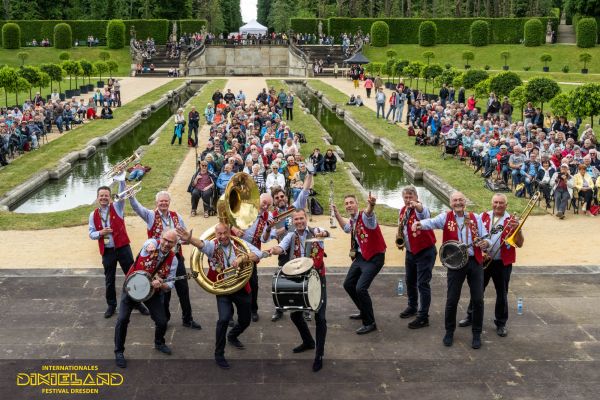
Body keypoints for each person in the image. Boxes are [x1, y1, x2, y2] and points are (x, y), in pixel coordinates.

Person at [177, 223, 264, 369]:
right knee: (223, 319)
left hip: (241, 287)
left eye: (225, 233)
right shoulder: (213, 246)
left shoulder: (240, 244)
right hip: (223, 288)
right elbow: (201, 244)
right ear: (215, 234)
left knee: (245, 321)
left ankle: (232, 336)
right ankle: (219, 353)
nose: (222, 236)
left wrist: (243, 258)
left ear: (229, 232)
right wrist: (190, 239)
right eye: (219, 234)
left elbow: (258, 254)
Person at [412, 192, 491, 349]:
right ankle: (449, 331)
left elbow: (485, 237)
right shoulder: (445, 217)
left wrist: (485, 244)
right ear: (450, 203)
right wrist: (419, 224)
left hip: (474, 262)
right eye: (455, 200)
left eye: (461, 199)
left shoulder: (474, 217)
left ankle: (476, 333)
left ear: (465, 201)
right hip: (455, 264)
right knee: (452, 299)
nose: (458, 202)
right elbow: (431, 222)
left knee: (478, 300)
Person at [129, 190, 202, 329]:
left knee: (183, 289)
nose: (163, 203)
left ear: (169, 202)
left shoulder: (176, 216)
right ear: (157, 203)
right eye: (161, 201)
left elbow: (184, 235)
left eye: (166, 201)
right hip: (159, 261)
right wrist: (131, 196)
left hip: (176, 257)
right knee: (164, 291)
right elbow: (136, 207)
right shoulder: (150, 215)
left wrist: (186, 239)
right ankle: (165, 318)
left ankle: (188, 319)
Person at [269, 209, 330, 372]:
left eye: (301, 218)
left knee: (321, 318)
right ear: (293, 221)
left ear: (306, 218)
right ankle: (309, 341)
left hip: (317, 279)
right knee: (295, 314)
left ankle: (319, 354)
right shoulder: (290, 236)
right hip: (300, 280)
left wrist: (324, 233)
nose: (299, 221)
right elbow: (281, 247)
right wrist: (274, 250)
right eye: (296, 219)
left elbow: (326, 232)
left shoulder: (315, 231)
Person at [459, 194, 523, 338]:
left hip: (502, 263)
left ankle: (501, 323)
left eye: (501, 203)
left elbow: (519, 243)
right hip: (483, 260)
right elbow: (474, 234)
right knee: (477, 291)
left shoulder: (512, 220)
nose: (498, 205)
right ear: (491, 202)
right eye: (495, 202)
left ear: (506, 205)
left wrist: (518, 229)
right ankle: (471, 316)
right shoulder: (483, 216)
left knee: (502, 293)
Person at [114, 229, 179, 368]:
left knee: (162, 321)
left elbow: (171, 283)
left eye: (170, 242)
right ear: (160, 237)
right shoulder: (150, 245)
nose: (166, 244)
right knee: (122, 319)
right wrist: (149, 245)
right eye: (165, 239)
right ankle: (119, 351)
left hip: (151, 292)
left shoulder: (173, 259)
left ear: (175, 244)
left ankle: (159, 342)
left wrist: (161, 285)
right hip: (132, 287)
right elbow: (147, 244)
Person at [88, 178, 148, 318]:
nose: (104, 198)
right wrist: (100, 233)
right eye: (101, 196)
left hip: (122, 248)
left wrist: (121, 179)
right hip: (108, 251)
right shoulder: (93, 215)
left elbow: (122, 194)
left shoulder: (117, 207)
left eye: (106, 196)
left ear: (110, 198)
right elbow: (91, 233)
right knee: (109, 280)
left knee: (133, 276)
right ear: (97, 198)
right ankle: (111, 305)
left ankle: (138, 303)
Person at [333, 192, 387, 335]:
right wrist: (337, 214)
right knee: (348, 284)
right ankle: (364, 311)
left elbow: (369, 213)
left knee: (360, 288)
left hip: (375, 257)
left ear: (357, 204)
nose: (349, 205)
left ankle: (370, 323)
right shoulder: (353, 221)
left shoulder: (364, 216)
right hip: (362, 257)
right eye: (346, 204)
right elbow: (346, 229)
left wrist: (372, 204)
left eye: (351, 202)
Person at [265, 173, 314, 322]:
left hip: (301, 248)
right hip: (284, 250)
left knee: (305, 278)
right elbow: (267, 236)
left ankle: (306, 308)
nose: (280, 199)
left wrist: (310, 174)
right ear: (274, 201)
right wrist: (282, 229)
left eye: (282, 196)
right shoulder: (271, 216)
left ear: (286, 197)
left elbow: (305, 191)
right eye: (277, 198)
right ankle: (279, 308)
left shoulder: (294, 207)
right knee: (281, 280)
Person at [396, 186, 437, 329]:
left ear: (416, 196)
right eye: (406, 198)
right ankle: (412, 306)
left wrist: (417, 205)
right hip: (410, 252)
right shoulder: (403, 210)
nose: (408, 200)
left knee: (422, 284)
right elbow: (402, 227)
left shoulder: (421, 209)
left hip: (425, 252)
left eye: (410, 197)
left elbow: (424, 213)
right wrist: (401, 238)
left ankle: (423, 317)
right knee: (410, 281)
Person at [230, 193, 274, 322]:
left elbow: (264, 240)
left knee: (253, 283)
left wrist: (268, 229)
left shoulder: (268, 216)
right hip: (234, 247)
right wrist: (234, 229)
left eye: (268, 205)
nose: (265, 206)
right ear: (258, 200)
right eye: (264, 202)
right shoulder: (243, 208)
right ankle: (230, 314)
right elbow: (225, 219)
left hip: (251, 252)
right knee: (233, 280)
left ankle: (253, 309)